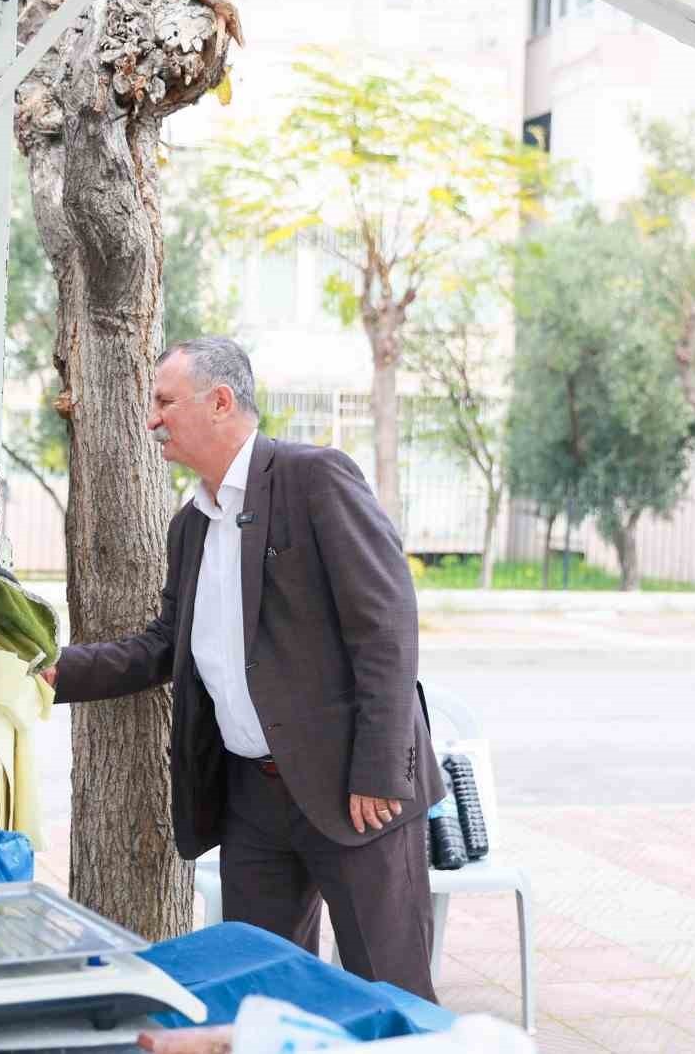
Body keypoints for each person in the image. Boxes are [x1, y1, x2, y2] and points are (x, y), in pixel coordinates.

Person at [44, 336, 445, 1002]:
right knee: (261, 999)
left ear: (221, 402)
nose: (153, 420)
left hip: (356, 790)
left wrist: (379, 769)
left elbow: (387, 627)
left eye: (165, 402)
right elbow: (162, 644)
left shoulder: (315, 478)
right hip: (253, 803)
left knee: (390, 995)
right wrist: (57, 671)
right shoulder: (190, 527)